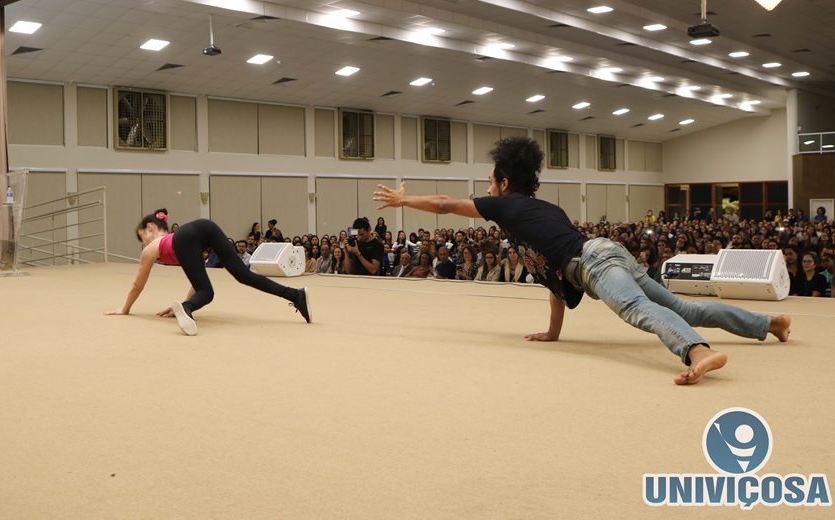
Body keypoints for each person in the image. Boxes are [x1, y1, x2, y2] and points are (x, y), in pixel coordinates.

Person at [373, 136, 791, 385]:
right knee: (685, 308)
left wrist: (404, 200)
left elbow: (445, 204)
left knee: (635, 308)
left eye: (490, 182)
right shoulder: (540, 212)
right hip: (606, 253)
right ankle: (770, 323)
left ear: (504, 182)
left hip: (594, 263)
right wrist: (553, 333)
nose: (486, 190)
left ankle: (697, 351)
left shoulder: (505, 206)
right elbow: (554, 279)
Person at [105, 209, 311, 335]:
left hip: (186, 236)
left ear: (149, 227)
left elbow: (137, 285)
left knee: (208, 292)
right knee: (243, 275)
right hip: (205, 226)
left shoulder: (151, 249)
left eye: (142, 237)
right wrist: (187, 304)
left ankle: (186, 308)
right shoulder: (173, 240)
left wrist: (125, 309)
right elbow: (197, 278)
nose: (143, 243)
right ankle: (295, 295)